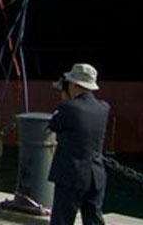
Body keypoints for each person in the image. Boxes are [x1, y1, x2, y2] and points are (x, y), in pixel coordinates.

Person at [48, 63, 110, 225]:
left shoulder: (67, 107)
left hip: (70, 176)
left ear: (74, 85)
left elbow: (54, 125)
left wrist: (66, 100)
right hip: (95, 175)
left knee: (62, 219)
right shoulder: (104, 108)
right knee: (93, 219)